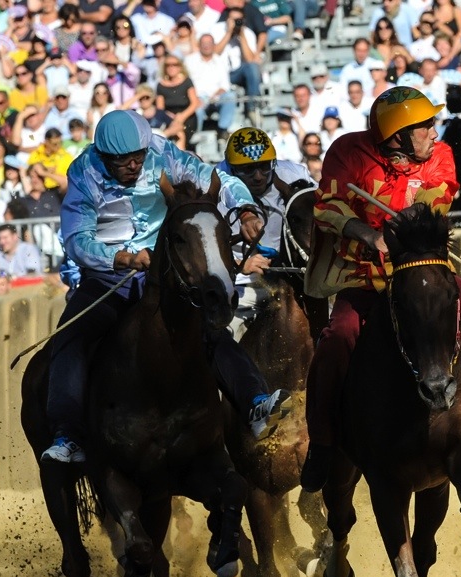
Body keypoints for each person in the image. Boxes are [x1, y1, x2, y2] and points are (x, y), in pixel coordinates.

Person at [298, 87, 461, 493]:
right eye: (426, 127)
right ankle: (322, 442)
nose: (435, 133)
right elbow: (328, 205)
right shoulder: (346, 152)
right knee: (335, 341)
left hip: (422, 268)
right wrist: (368, 233)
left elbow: (434, 201)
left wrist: (404, 225)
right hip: (364, 275)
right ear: (399, 135)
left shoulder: (439, 156)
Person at [40, 110, 293, 464]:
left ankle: (255, 404)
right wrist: (125, 258)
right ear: (103, 156)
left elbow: (214, 177)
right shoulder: (83, 171)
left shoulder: (161, 151)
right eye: (121, 161)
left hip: (165, 274)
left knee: (211, 330)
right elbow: (77, 241)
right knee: (70, 339)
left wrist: (246, 208)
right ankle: (68, 434)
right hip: (109, 279)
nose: (132, 165)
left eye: (137, 157)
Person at [216, 127, 324, 336]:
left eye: (264, 167)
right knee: (226, 336)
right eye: (247, 169)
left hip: (294, 278)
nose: (258, 176)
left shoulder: (294, 174)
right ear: (231, 168)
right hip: (242, 282)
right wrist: (238, 264)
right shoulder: (214, 185)